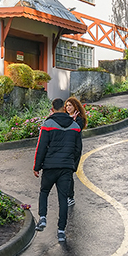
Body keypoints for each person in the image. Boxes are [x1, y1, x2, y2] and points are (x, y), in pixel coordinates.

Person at [34, 98, 83, 243]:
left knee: (44, 192)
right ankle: (61, 231)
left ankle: (42, 217)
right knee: (63, 199)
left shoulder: (48, 124)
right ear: (63, 108)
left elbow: (41, 147)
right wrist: (72, 165)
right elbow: (78, 149)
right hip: (66, 168)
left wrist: (37, 166)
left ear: (52, 108)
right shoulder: (74, 126)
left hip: (50, 167)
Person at [64, 96, 87, 210]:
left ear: (75, 106)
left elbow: (75, 131)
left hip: (74, 149)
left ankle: (70, 197)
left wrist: (72, 121)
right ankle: (67, 195)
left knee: (69, 172)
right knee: (64, 172)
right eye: (67, 105)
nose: (68, 107)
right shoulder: (66, 117)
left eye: (70, 105)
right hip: (64, 148)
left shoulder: (79, 119)